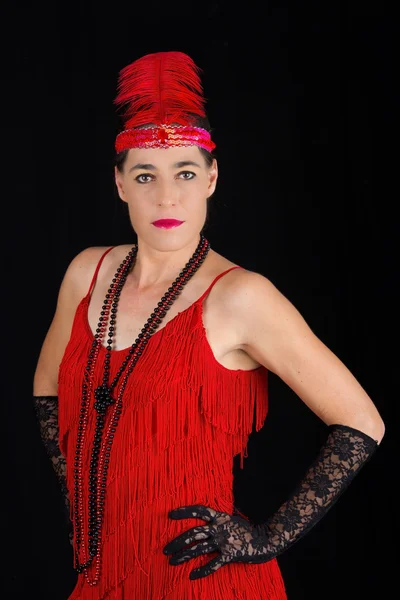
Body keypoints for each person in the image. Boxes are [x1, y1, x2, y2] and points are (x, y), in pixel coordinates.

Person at [33, 50, 385, 600]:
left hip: (198, 580)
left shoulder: (242, 296)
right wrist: (81, 492)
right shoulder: (87, 272)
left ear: (212, 178)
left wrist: (266, 538)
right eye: (145, 175)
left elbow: (362, 421)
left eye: (186, 173)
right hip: (99, 572)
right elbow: (48, 387)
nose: (166, 196)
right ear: (120, 183)